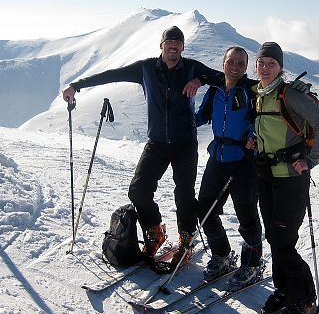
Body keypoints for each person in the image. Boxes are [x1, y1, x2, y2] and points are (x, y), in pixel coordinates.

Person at [62, 26, 222, 265]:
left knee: (184, 196)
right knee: (138, 191)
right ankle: (155, 230)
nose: (173, 47)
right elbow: (112, 75)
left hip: (185, 143)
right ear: (161, 45)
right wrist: (77, 85)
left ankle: (186, 240)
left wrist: (200, 79)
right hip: (156, 142)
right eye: (169, 43)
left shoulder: (191, 67)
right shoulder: (146, 68)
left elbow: (223, 78)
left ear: (182, 47)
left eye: (177, 44)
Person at [250, 42, 319, 314]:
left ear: (280, 68)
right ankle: (284, 291)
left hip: (290, 179)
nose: (264, 67)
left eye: (270, 64)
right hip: (266, 177)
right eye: (261, 63)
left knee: (282, 240)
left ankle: (305, 299)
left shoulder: (289, 95)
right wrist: (253, 139)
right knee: (275, 238)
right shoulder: (260, 94)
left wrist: (310, 159)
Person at [195, 46, 263, 289]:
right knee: (204, 209)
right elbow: (201, 116)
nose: (235, 66)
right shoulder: (214, 91)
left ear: (246, 67)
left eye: (240, 63)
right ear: (223, 63)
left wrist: (253, 135)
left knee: (246, 214)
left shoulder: (251, 90)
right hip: (218, 157)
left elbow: (262, 118)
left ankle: (253, 264)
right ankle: (222, 255)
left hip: (244, 160)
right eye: (231, 61)